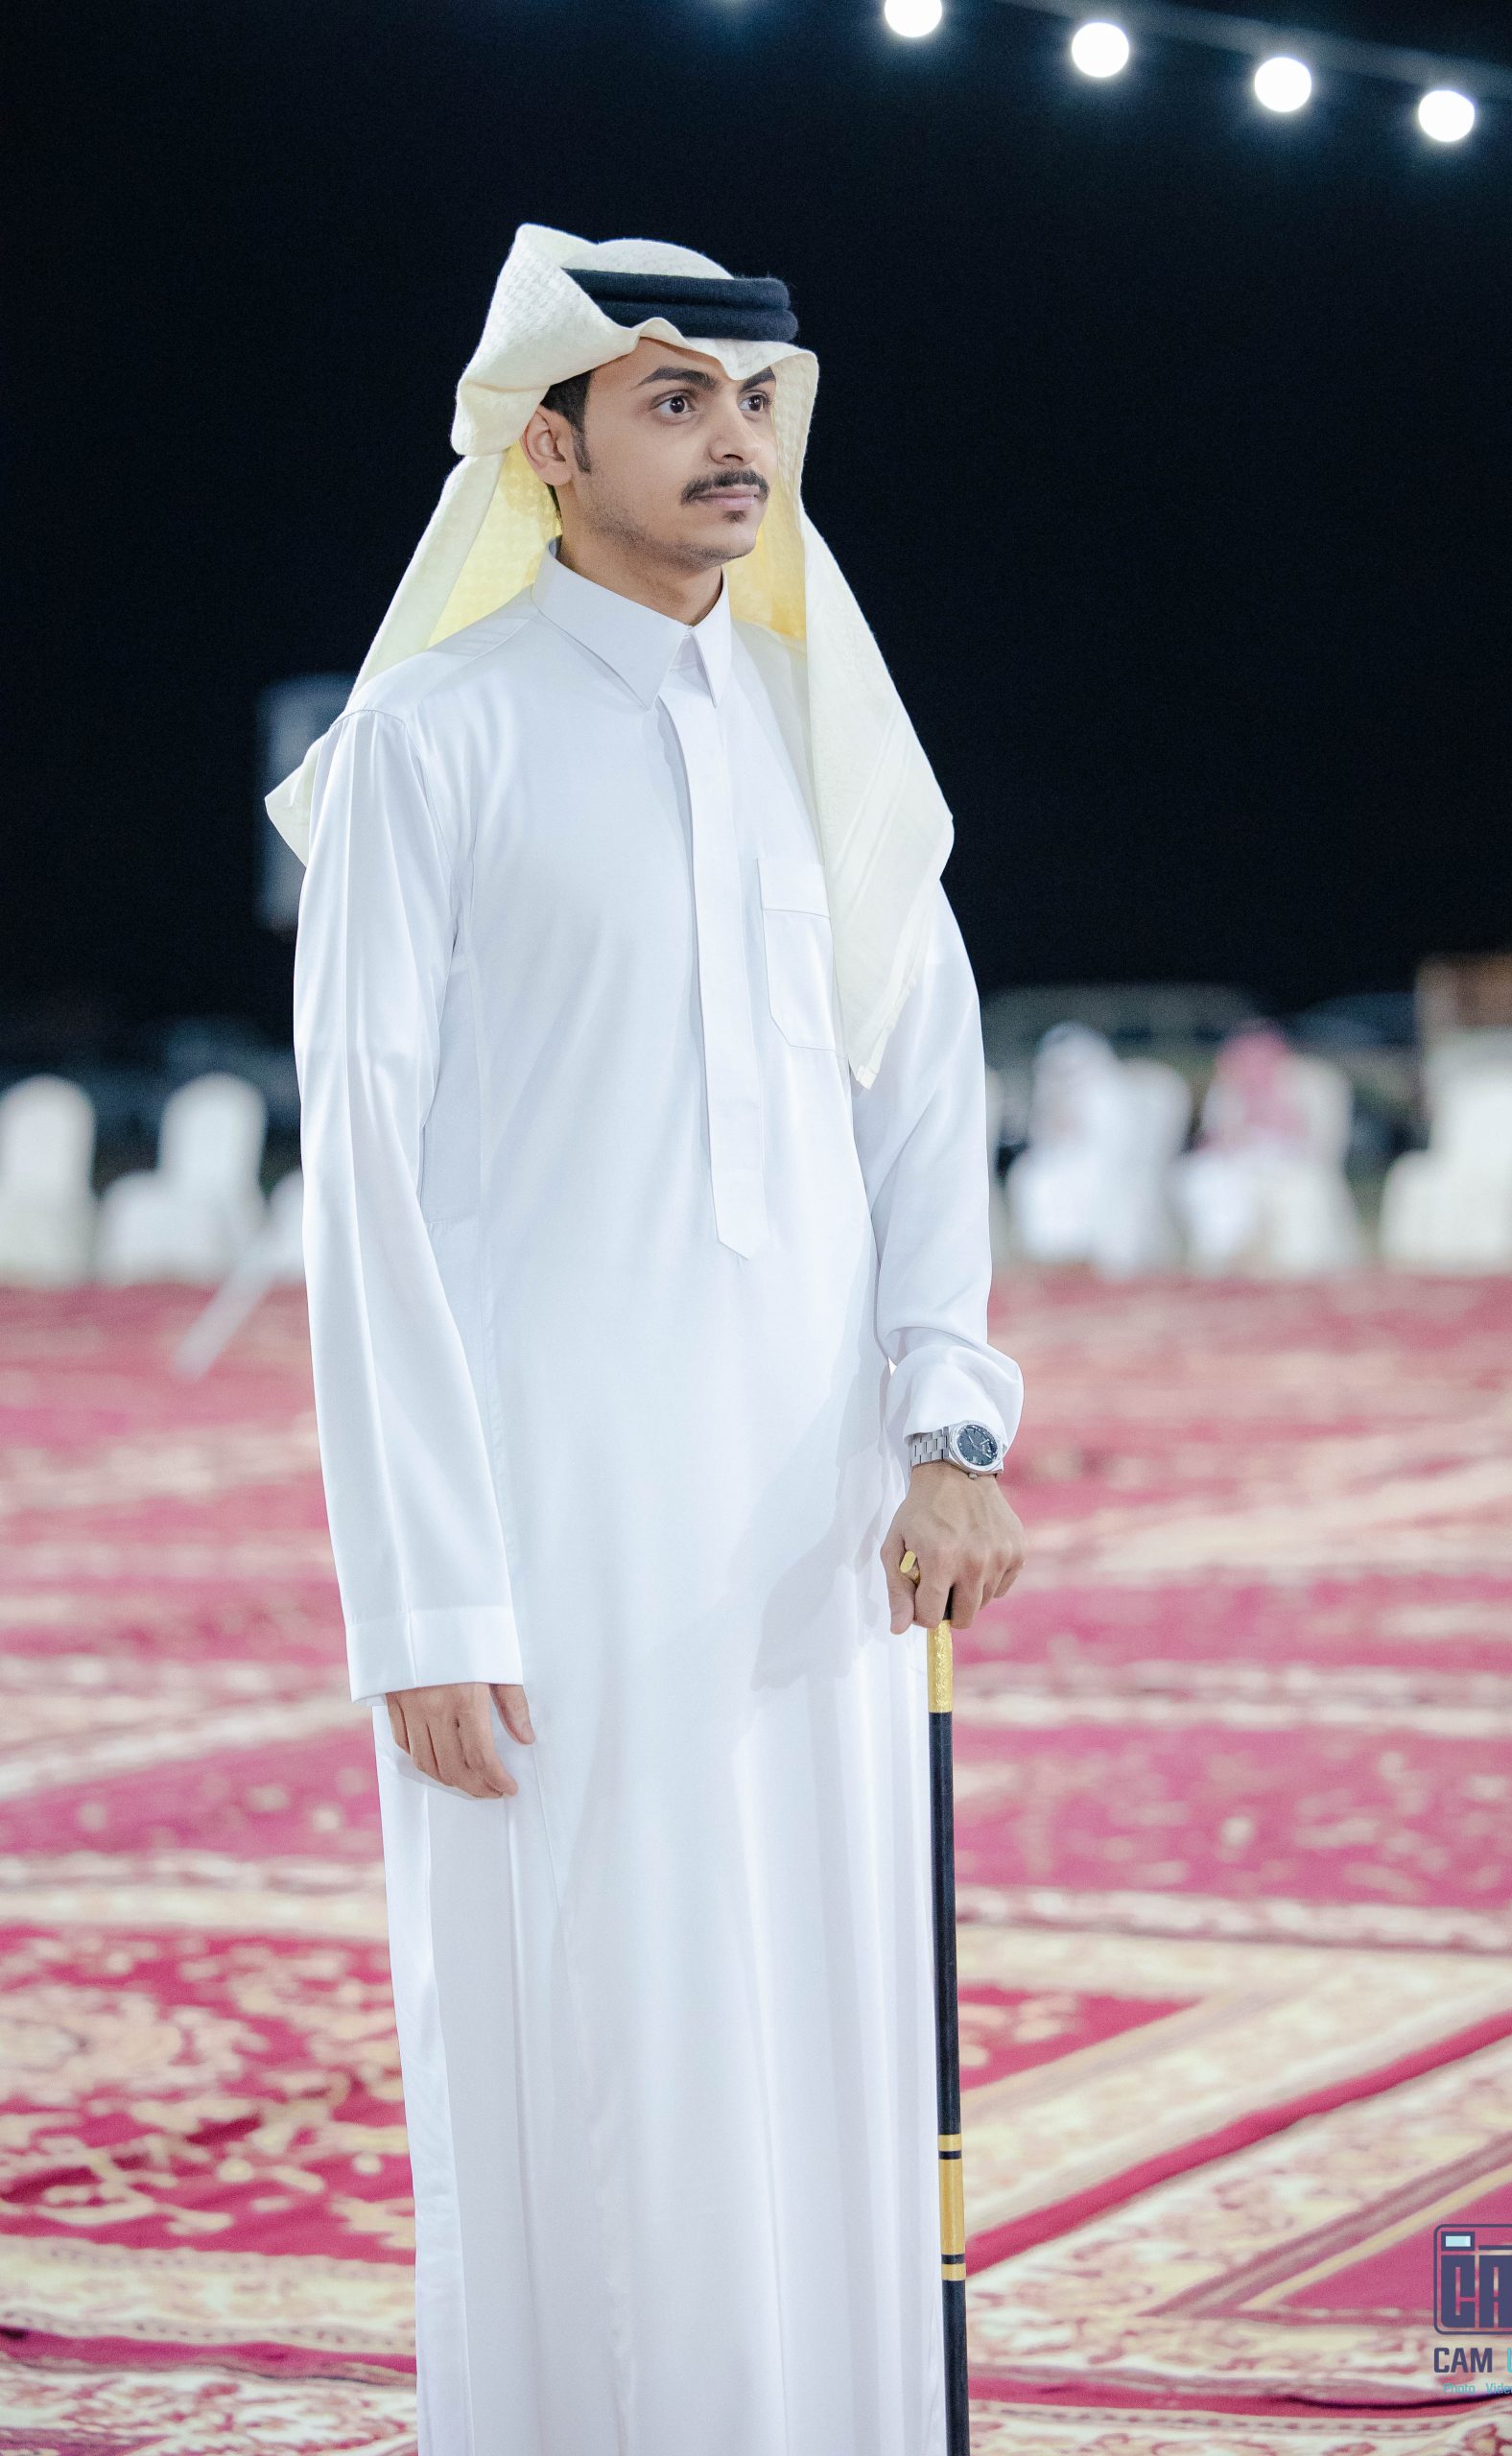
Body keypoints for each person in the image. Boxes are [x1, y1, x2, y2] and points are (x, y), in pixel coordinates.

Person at [282, 225, 1027, 2456]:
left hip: (815, 1525)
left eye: (757, 403)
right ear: (549, 443)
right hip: (551, 1526)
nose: (734, 441)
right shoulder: (430, 739)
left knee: (822, 2018)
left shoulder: (820, 738)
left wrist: (948, 1421)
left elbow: (927, 1098)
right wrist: (424, 1594)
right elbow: (363, 1188)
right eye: (676, 396)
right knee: (590, 2043)